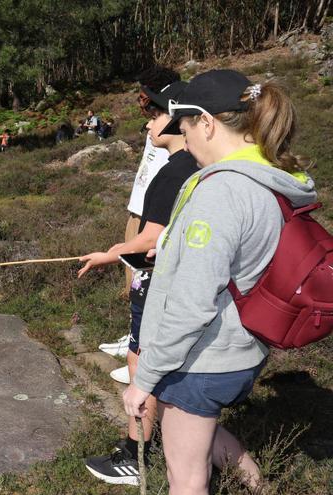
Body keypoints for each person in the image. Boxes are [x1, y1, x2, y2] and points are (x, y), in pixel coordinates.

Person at [123, 70, 316, 494]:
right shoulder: (266, 177)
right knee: (204, 432)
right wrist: (176, 252)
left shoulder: (220, 192)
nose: (186, 140)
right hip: (243, 347)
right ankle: (259, 486)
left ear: (207, 122)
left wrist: (144, 380)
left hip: (200, 360)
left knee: (186, 478)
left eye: (187, 127)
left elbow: (191, 307)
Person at [79, 81, 198, 487]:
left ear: (180, 122)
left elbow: (151, 240)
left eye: (156, 116)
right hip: (178, 284)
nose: (148, 126)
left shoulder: (175, 171)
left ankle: (135, 454)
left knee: (141, 362)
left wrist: (107, 257)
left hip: (156, 284)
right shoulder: (198, 166)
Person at [99, 66, 180, 361]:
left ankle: (141, 345)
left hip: (154, 214)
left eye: (144, 92)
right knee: (132, 279)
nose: (140, 99)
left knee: (145, 279)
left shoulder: (173, 125)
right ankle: (134, 334)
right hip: (138, 208)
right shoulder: (154, 125)